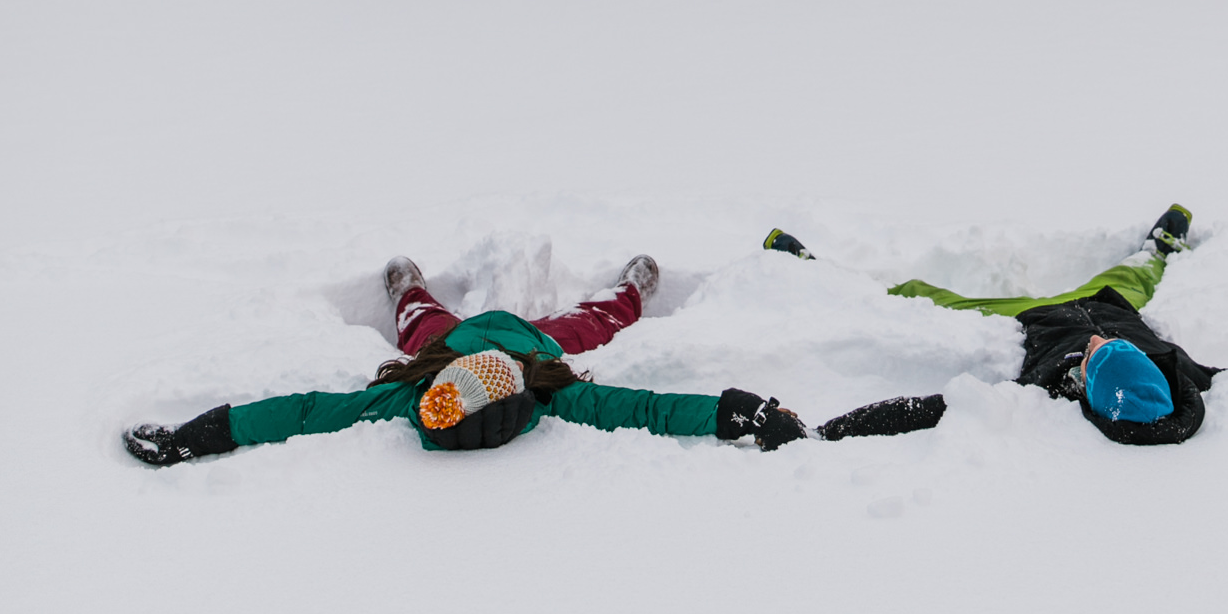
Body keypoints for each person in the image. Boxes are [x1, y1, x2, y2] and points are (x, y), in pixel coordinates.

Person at [763, 209, 1228, 445]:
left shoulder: (1046, 397)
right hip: (1107, 296)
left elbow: (923, 411)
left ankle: (811, 266)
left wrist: (828, 431)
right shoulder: (1186, 378)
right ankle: (1161, 242)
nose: (1095, 351)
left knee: (913, 294)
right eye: (1114, 354)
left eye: (1097, 359)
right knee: (1141, 275)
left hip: (1024, 320)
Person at [123, 250, 807, 468]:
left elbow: (298, 413)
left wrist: (194, 438)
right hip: (538, 337)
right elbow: (649, 411)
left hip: (448, 335)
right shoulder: (548, 384)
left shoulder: (415, 383)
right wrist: (741, 415)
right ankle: (632, 287)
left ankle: (405, 284)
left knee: (420, 317)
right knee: (594, 321)